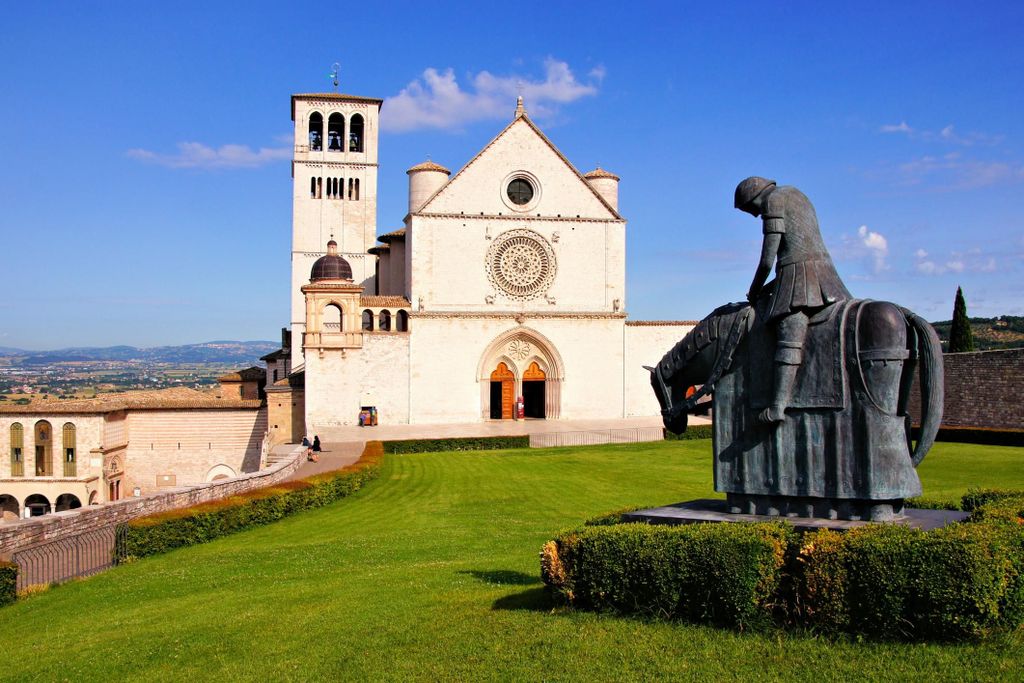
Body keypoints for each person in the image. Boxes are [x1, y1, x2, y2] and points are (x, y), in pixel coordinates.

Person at [734, 177, 852, 424]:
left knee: (789, 334)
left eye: (751, 210)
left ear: (755, 198)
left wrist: (754, 289)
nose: (755, 215)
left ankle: (777, 406)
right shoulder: (797, 194)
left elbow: (768, 259)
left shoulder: (773, 201)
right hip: (825, 273)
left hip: (800, 276)